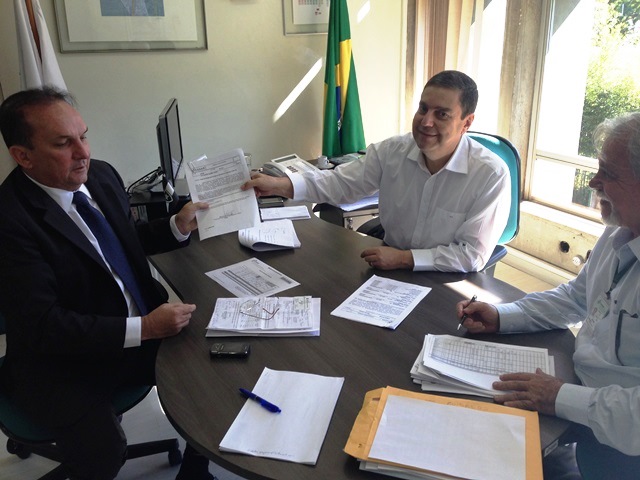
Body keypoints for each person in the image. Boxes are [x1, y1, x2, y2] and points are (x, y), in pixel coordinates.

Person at [0, 87, 214, 480]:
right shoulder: (10, 221)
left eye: (83, 136)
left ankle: (196, 471)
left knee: (213, 366)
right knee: (103, 454)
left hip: (135, 330)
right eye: (63, 144)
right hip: (63, 361)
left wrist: (175, 226)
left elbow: (119, 243)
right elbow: (45, 326)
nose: (83, 152)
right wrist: (145, 328)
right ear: (23, 156)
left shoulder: (100, 175)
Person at [456, 112, 640, 479]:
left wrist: (558, 396)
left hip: (621, 447)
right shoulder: (619, 231)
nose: (594, 181)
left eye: (608, 172)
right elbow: (576, 297)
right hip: (581, 406)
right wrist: (502, 315)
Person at [242, 70, 511, 272]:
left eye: (442, 114)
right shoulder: (392, 151)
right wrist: (278, 185)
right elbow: (340, 184)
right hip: (391, 268)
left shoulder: (490, 175)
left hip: (448, 279)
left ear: (467, 123)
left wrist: (404, 259)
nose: (426, 122)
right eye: (423, 108)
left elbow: (471, 255)